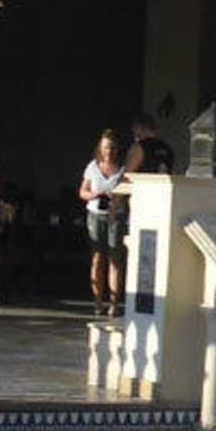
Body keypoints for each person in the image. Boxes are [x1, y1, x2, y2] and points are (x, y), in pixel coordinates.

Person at [78, 128, 126, 315]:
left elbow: (130, 193)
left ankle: (114, 303)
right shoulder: (92, 167)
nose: (109, 151)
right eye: (106, 147)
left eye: (112, 148)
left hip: (116, 216)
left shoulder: (123, 169)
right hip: (95, 214)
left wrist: (117, 199)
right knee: (97, 258)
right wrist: (94, 194)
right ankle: (97, 301)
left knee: (115, 259)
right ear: (100, 148)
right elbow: (82, 192)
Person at [128, 110, 174, 175]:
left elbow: (128, 172)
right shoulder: (168, 149)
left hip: (144, 181)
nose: (134, 134)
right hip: (162, 181)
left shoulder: (140, 147)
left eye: (134, 129)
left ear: (139, 128)